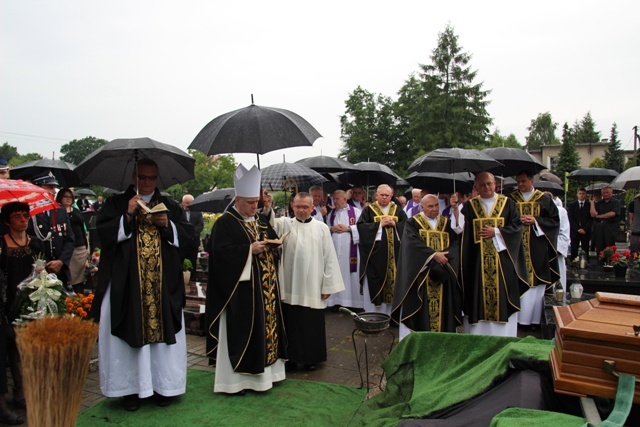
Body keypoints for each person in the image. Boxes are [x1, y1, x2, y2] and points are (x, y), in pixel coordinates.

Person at [89, 159, 192, 411]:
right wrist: (126, 215)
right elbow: (101, 235)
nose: (146, 182)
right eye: (142, 177)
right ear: (133, 176)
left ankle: (162, 386)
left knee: (162, 339)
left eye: (151, 177)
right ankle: (130, 391)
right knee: (129, 334)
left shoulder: (169, 205)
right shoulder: (116, 203)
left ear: (157, 178)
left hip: (161, 285)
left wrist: (168, 225)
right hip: (128, 285)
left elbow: (190, 239)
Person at [206, 164, 287, 394]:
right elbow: (220, 256)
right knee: (243, 335)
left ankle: (269, 376)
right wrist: (248, 250)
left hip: (265, 291)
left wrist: (274, 245)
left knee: (267, 332)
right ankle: (236, 383)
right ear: (237, 200)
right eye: (250, 203)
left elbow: (272, 239)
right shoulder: (225, 223)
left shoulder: (260, 219)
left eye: (256, 202)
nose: (254, 207)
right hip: (241, 293)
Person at [269, 192, 344, 371]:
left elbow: (330, 258)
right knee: (292, 321)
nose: (301, 210)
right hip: (291, 283)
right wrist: (267, 204)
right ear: (292, 207)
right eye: (297, 206)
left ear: (312, 208)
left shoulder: (322, 228)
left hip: (314, 284)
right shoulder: (284, 223)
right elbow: (267, 222)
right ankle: (292, 358)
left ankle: (312, 358)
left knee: (311, 322)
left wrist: (328, 285)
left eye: (305, 207)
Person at [452, 172, 528, 336]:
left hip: (502, 261)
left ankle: (504, 336)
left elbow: (517, 227)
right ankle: (478, 336)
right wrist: (456, 210)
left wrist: (498, 232)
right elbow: (460, 230)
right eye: (482, 185)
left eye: (489, 184)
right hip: (477, 263)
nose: (486, 187)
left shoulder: (508, 203)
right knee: (477, 297)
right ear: (476, 188)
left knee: (503, 296)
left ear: (495, 184)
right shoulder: (470, 206)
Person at [392, 194, 462, 340]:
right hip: (422, 275)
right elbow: (411, 245)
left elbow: (456, 243)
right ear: (422, 207)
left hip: (443, 274)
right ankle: (419, 342)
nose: (434, 209)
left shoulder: (446, 223)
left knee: (444, 310)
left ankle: (443, 342)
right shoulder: (413, 223)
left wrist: (444, 258)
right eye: (430, 206)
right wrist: (433, 255)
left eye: (436, 205)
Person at [0, 202, 46, 423]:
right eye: (17, 216)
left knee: (24, 349)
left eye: (25, 215)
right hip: (6, 301)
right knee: (7, 348)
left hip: (30, 302)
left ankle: (21, 391)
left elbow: (42, 269)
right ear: (8, 221)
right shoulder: (1, 245)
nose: (23, 219)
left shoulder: (35, 243)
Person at [509, 170, 559, 328]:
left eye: (523, 181)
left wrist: (536, 221)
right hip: (516, 247)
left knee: (535, 284)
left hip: (536, 248)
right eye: (518, 181)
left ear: (531, 181)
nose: (520, 184)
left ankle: (534, 320)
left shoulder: (543, 199)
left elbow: (554, 221)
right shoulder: (511, 199)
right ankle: (516, 320)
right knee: (516, 280)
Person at [357, 184, 407, 315]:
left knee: (395, 282)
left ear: (391, 196)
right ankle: (374, 314)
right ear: (376, 195)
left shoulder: (398, 209)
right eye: (382, 195)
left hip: (394, 255)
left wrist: (395, 224)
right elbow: (362, 227)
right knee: (376, 282)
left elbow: (407, 226)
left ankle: (393, 315)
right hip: (376, 256)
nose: (384, 198)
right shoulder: (369, 210)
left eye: (387, 195)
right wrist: (379, 225)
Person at [28, 171, 75, 287]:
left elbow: (69, 239)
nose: (54, 191)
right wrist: (43, 263)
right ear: (36, 187)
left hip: (59, 270)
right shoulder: (28, 211)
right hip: (35, 269)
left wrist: (61, 261)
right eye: (49, 187)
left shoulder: (60, 210)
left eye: (54, 187)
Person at [325, 190, 363, 310]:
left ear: (344, 199)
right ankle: (336, 301)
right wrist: (331, 229)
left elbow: (362, 227)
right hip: (335, 251)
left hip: (350, 252)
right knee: (336, 274)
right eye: (333, 199)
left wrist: (349, 228)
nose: (334, 201)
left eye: (337, 199)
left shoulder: (356, 212)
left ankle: (353, 303)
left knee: (350, 275)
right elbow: (325, 228)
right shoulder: (331, 214)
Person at [56, 188, 90, 293]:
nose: (68, 199)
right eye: (65, 197)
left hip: (80, 247)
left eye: (70, 197)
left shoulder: (76, 211)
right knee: (69, 278)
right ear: (60, 198)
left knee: (80, 278)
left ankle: (80, 300)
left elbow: (83, 228)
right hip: (67, 248)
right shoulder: (57, 211)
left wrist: (87, 246)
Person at [590, 186, 621, 256]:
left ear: (611, 193)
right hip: (600, 228)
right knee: (600, 248)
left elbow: (612, 213)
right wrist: (592, 203)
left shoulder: (616, 202)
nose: (605, 194)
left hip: (610, 227)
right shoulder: (599, 203)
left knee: (610, 247)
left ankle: (610, 263)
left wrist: (600, 216)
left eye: (607, 192)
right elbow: (593, 214)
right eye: (603, 193)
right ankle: (600, 264)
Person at [567, 188, 593, 263]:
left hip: (585, 231)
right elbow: (570, 218)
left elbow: (590, 219)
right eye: (580, 193)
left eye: (583, 194)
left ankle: (586, 262)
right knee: (574, 248)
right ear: (577, 194)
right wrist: (577, 228)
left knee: (585, 248)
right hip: (575, 231)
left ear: (586, 195)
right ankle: (573, 262)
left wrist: (585, 229)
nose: (581, 195)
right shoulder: (572, 205)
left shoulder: (589, 205)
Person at [181, 194, 204, 274]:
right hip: (182, 241)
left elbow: (200, 225)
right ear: (183, 202)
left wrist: (191, 234)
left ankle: (192, 278)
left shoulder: (197, 212)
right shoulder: (179, 211)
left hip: (193, 241)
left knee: (193, 261)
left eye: (190, 203)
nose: (188, 205)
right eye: (186, 203)